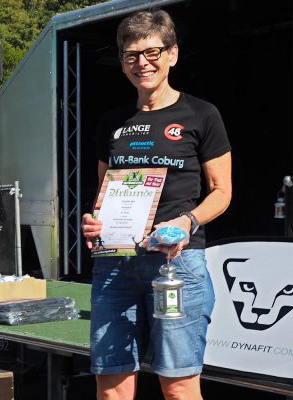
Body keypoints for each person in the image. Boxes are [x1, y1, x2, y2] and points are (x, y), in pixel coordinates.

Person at [81, 9, 232, 400]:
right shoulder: (112, 122)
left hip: (176, 264)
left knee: (179, 387)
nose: (142, 63)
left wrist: (187, 222)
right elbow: (103, 195)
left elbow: (222, 191)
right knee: (111, 388)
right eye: (131, 54)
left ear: (172, 54)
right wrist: (94, 224)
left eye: (152, 52)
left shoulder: (202, 114)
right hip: (114, 266)